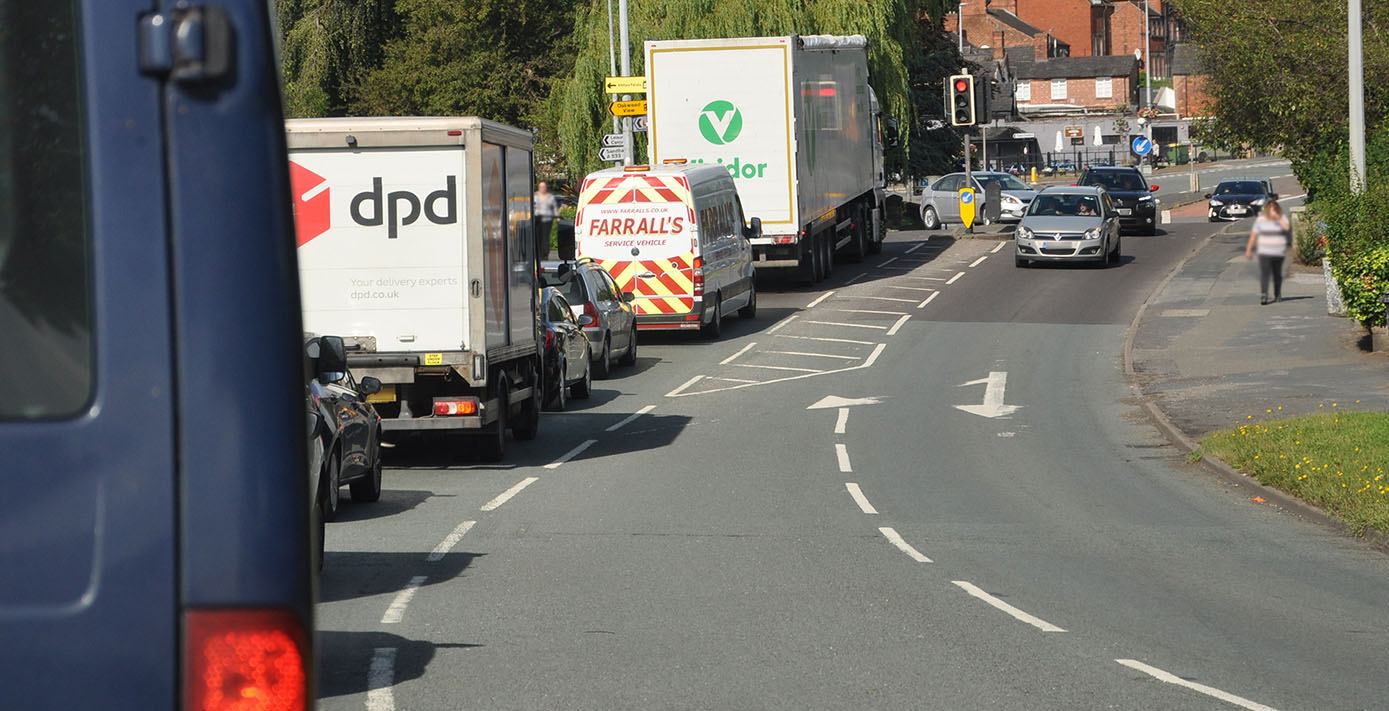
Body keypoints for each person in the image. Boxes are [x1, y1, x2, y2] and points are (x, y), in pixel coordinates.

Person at [1244, 198, 1292, 304]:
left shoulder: (1282, 218)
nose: (1272, 211)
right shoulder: (1261, 220)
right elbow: (1254, 235)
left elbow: (1287, 227)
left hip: (1279, 252)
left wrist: (1278, 217)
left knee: (1277, 273)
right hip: (1264, 251)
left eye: (1274, 209)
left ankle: (1277, 293)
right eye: (1270, 209)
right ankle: (1264, 294)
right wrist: (1249, 250)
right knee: (1265, 273)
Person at [533, 181, 560, 260]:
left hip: (547, 219)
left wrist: (557, 216)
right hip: (537, 218)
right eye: (541, 187)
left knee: (545, 237)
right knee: (537, 236)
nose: (542, 188)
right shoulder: (535, 196)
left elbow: (555, 207)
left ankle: (545, 254)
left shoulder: (550, 197)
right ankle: (537, 254)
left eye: (544, 187)